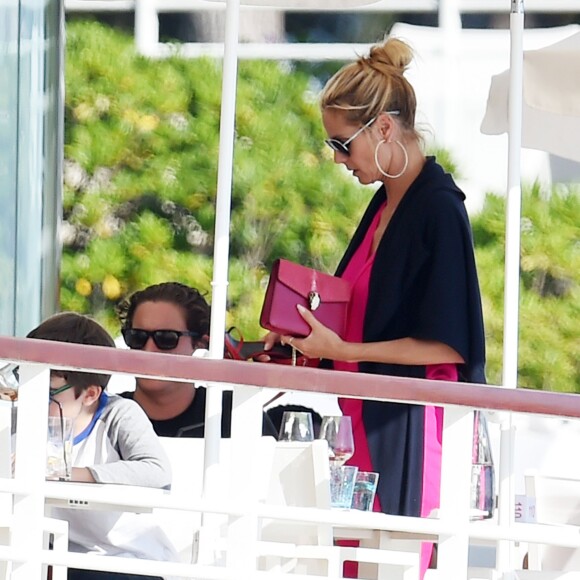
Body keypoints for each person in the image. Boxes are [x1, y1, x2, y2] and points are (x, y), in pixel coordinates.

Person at [264, 37, 486, 577]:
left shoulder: (436, 209)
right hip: (367, 422)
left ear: (383, 128)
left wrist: (341, 348)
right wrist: (304, 338)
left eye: (342, 144)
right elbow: (358, 312)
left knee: (391, 564)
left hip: (411, 426)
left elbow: (447, 343)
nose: (337, 158)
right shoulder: (388, 202)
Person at [27, 312, 178, 580]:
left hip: (126, 560)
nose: (33, 398)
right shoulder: (24, 418)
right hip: (56, 556)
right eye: (28, 385)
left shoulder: (119, 415)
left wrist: (75, 474)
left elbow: (157, 472)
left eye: (47, 391)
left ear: (90, 394)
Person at [117, 282, 277, 438]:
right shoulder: (105, 414)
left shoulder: (236, 414)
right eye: (137, 337)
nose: (148, 349)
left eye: (166, 338)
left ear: (201, 342)